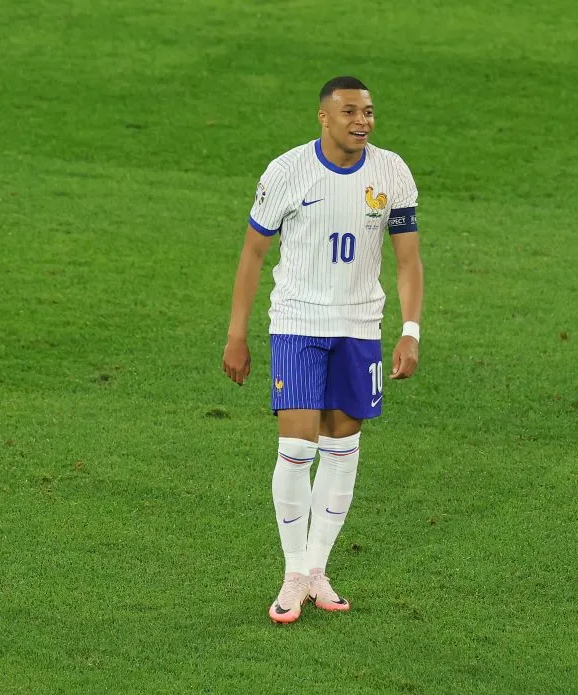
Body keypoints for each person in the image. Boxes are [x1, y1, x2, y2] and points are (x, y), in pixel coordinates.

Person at [222, 76, 424, 624]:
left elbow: (407, 260)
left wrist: (411, 329)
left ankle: (317, 569)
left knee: (343, 447)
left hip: (360, 328)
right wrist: (237, 334)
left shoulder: (392, 173)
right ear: (324, 117)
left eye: (369, 112)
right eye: (351, 112)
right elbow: (252, 254)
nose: (362, 121)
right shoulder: (287, 171)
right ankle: (291, 573)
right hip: (297, 323)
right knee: (296, 447)